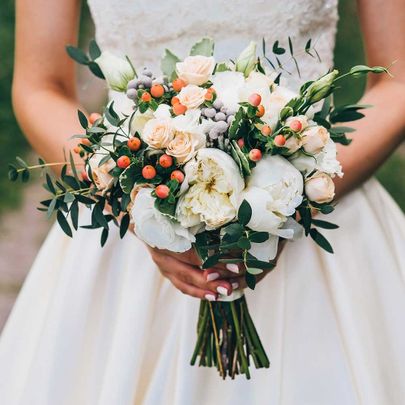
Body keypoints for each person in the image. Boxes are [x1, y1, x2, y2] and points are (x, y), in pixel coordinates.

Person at [1, 0, 404, 404]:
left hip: (319, 221)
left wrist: (291, 199)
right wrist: (133, 201)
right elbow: (40, 86)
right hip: (133, 225)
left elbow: (398, 81)